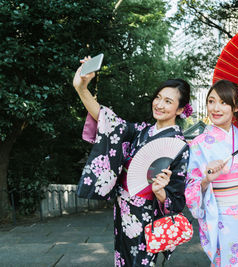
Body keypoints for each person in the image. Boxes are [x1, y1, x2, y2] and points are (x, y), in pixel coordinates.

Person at [73, 57, 192, 266]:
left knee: (141, 262)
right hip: (123, 206)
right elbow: (107, 121)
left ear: (180, 110)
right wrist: (82, 88)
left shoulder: (179, 146)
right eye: (158, 97)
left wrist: (160, 191)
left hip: (147, 213)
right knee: (123, 259)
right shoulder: (141, 131)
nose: (159, 104)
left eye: (168, 101)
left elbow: (177, 197)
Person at [185, 79, 238, 266]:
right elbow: (192, 185)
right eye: (211, 101)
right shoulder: (198, 143)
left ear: (235, 107)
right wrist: (206, 180)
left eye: (223, 102)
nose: (215, 108)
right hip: (220, 215)